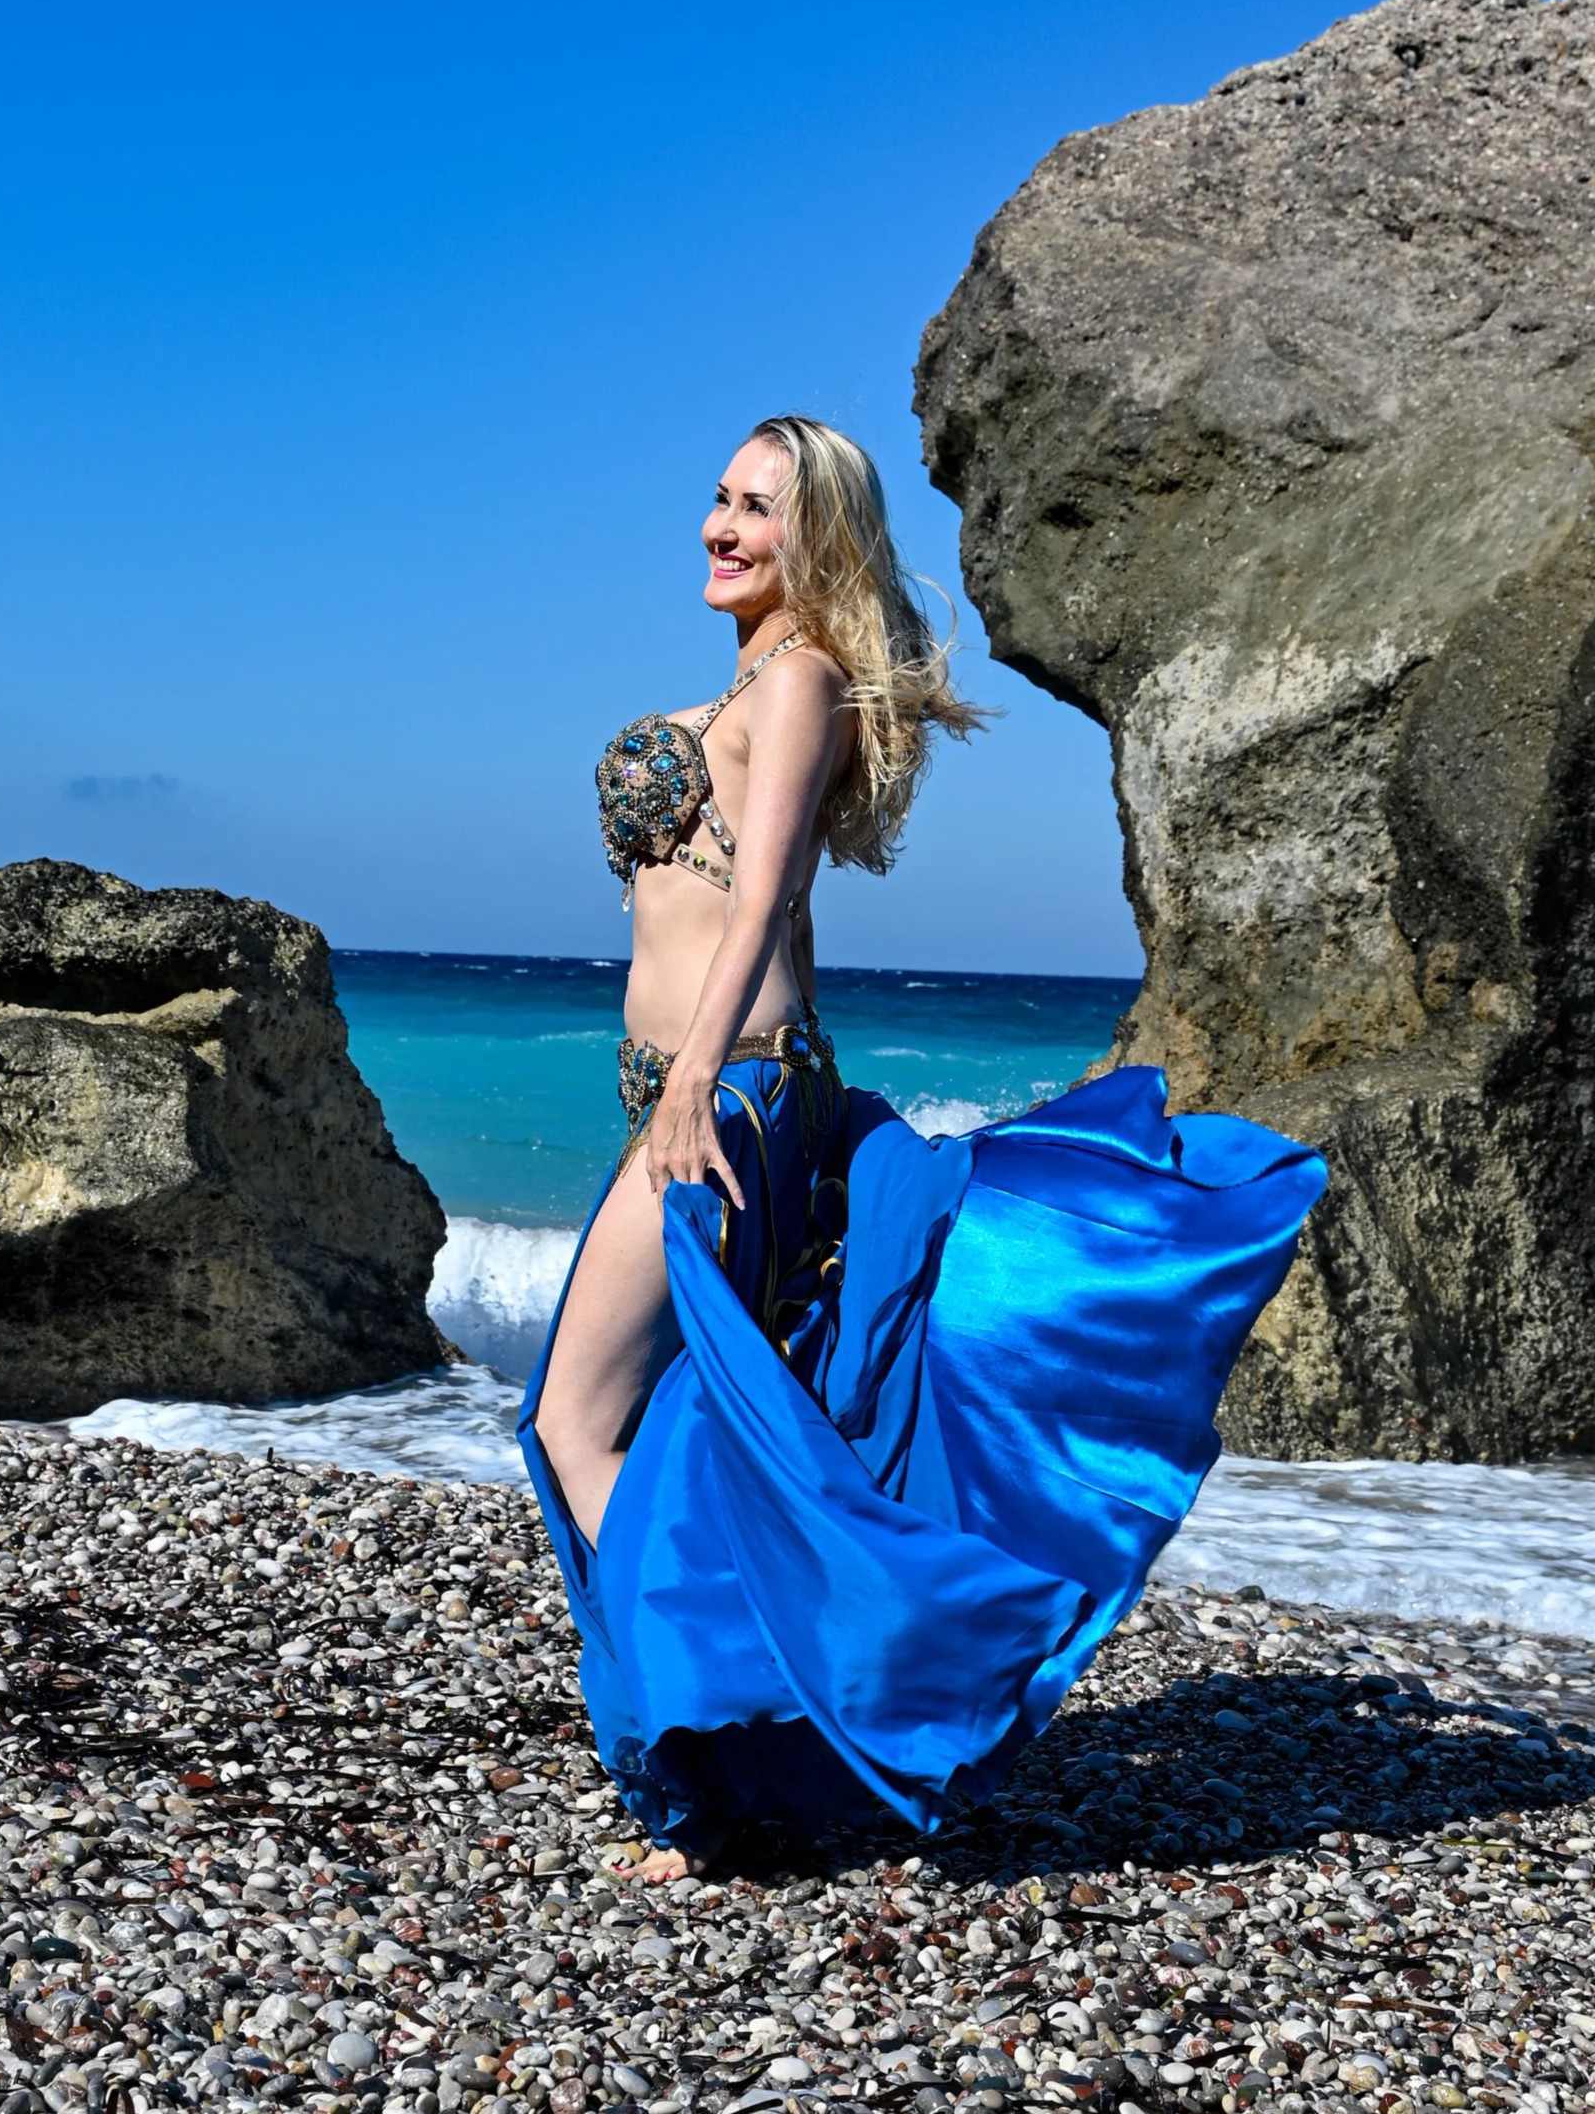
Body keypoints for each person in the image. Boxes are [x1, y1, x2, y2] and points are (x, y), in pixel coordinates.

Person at [518, 414, 1325, 1883]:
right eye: (715, 497)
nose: (720, 525)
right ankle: (752, 1727)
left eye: (756, 508)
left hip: (734, 1087)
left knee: (575, 1418)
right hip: (718, 1092)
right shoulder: (754, 681)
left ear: (810, 535)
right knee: (687, 1420)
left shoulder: (805, 678)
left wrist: (697, 1078)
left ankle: (707, 1738)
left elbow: (764, 901)